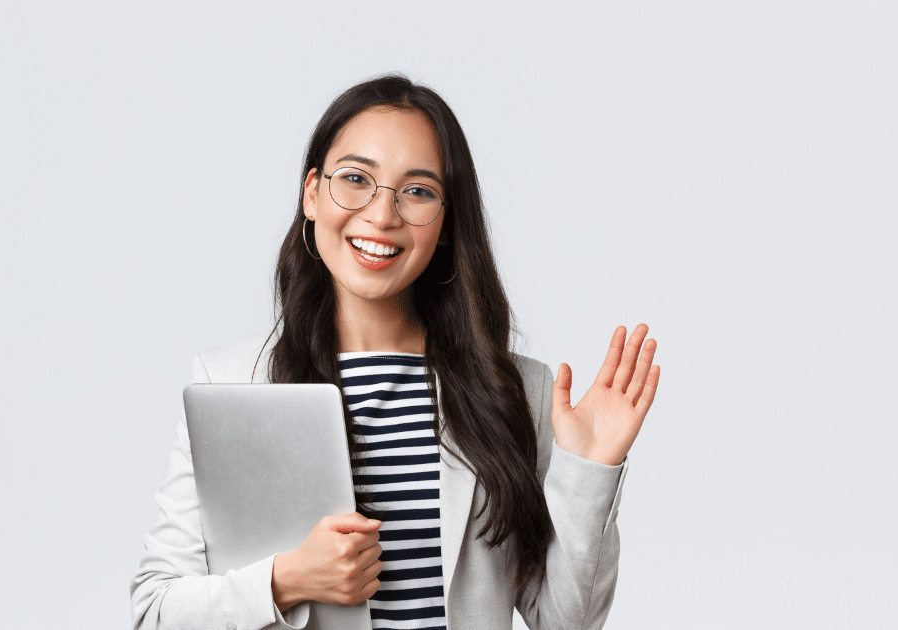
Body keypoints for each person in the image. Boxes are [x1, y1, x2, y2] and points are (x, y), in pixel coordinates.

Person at [131, 74, 660, 630]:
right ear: (312, 194)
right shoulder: (232, 383)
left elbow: (566, 623)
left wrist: (591, 471)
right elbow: (155, 612)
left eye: (418, 190)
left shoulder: (514, 392)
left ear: (447, 221)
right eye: (356, 179)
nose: (382, 216)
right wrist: (287, 580)